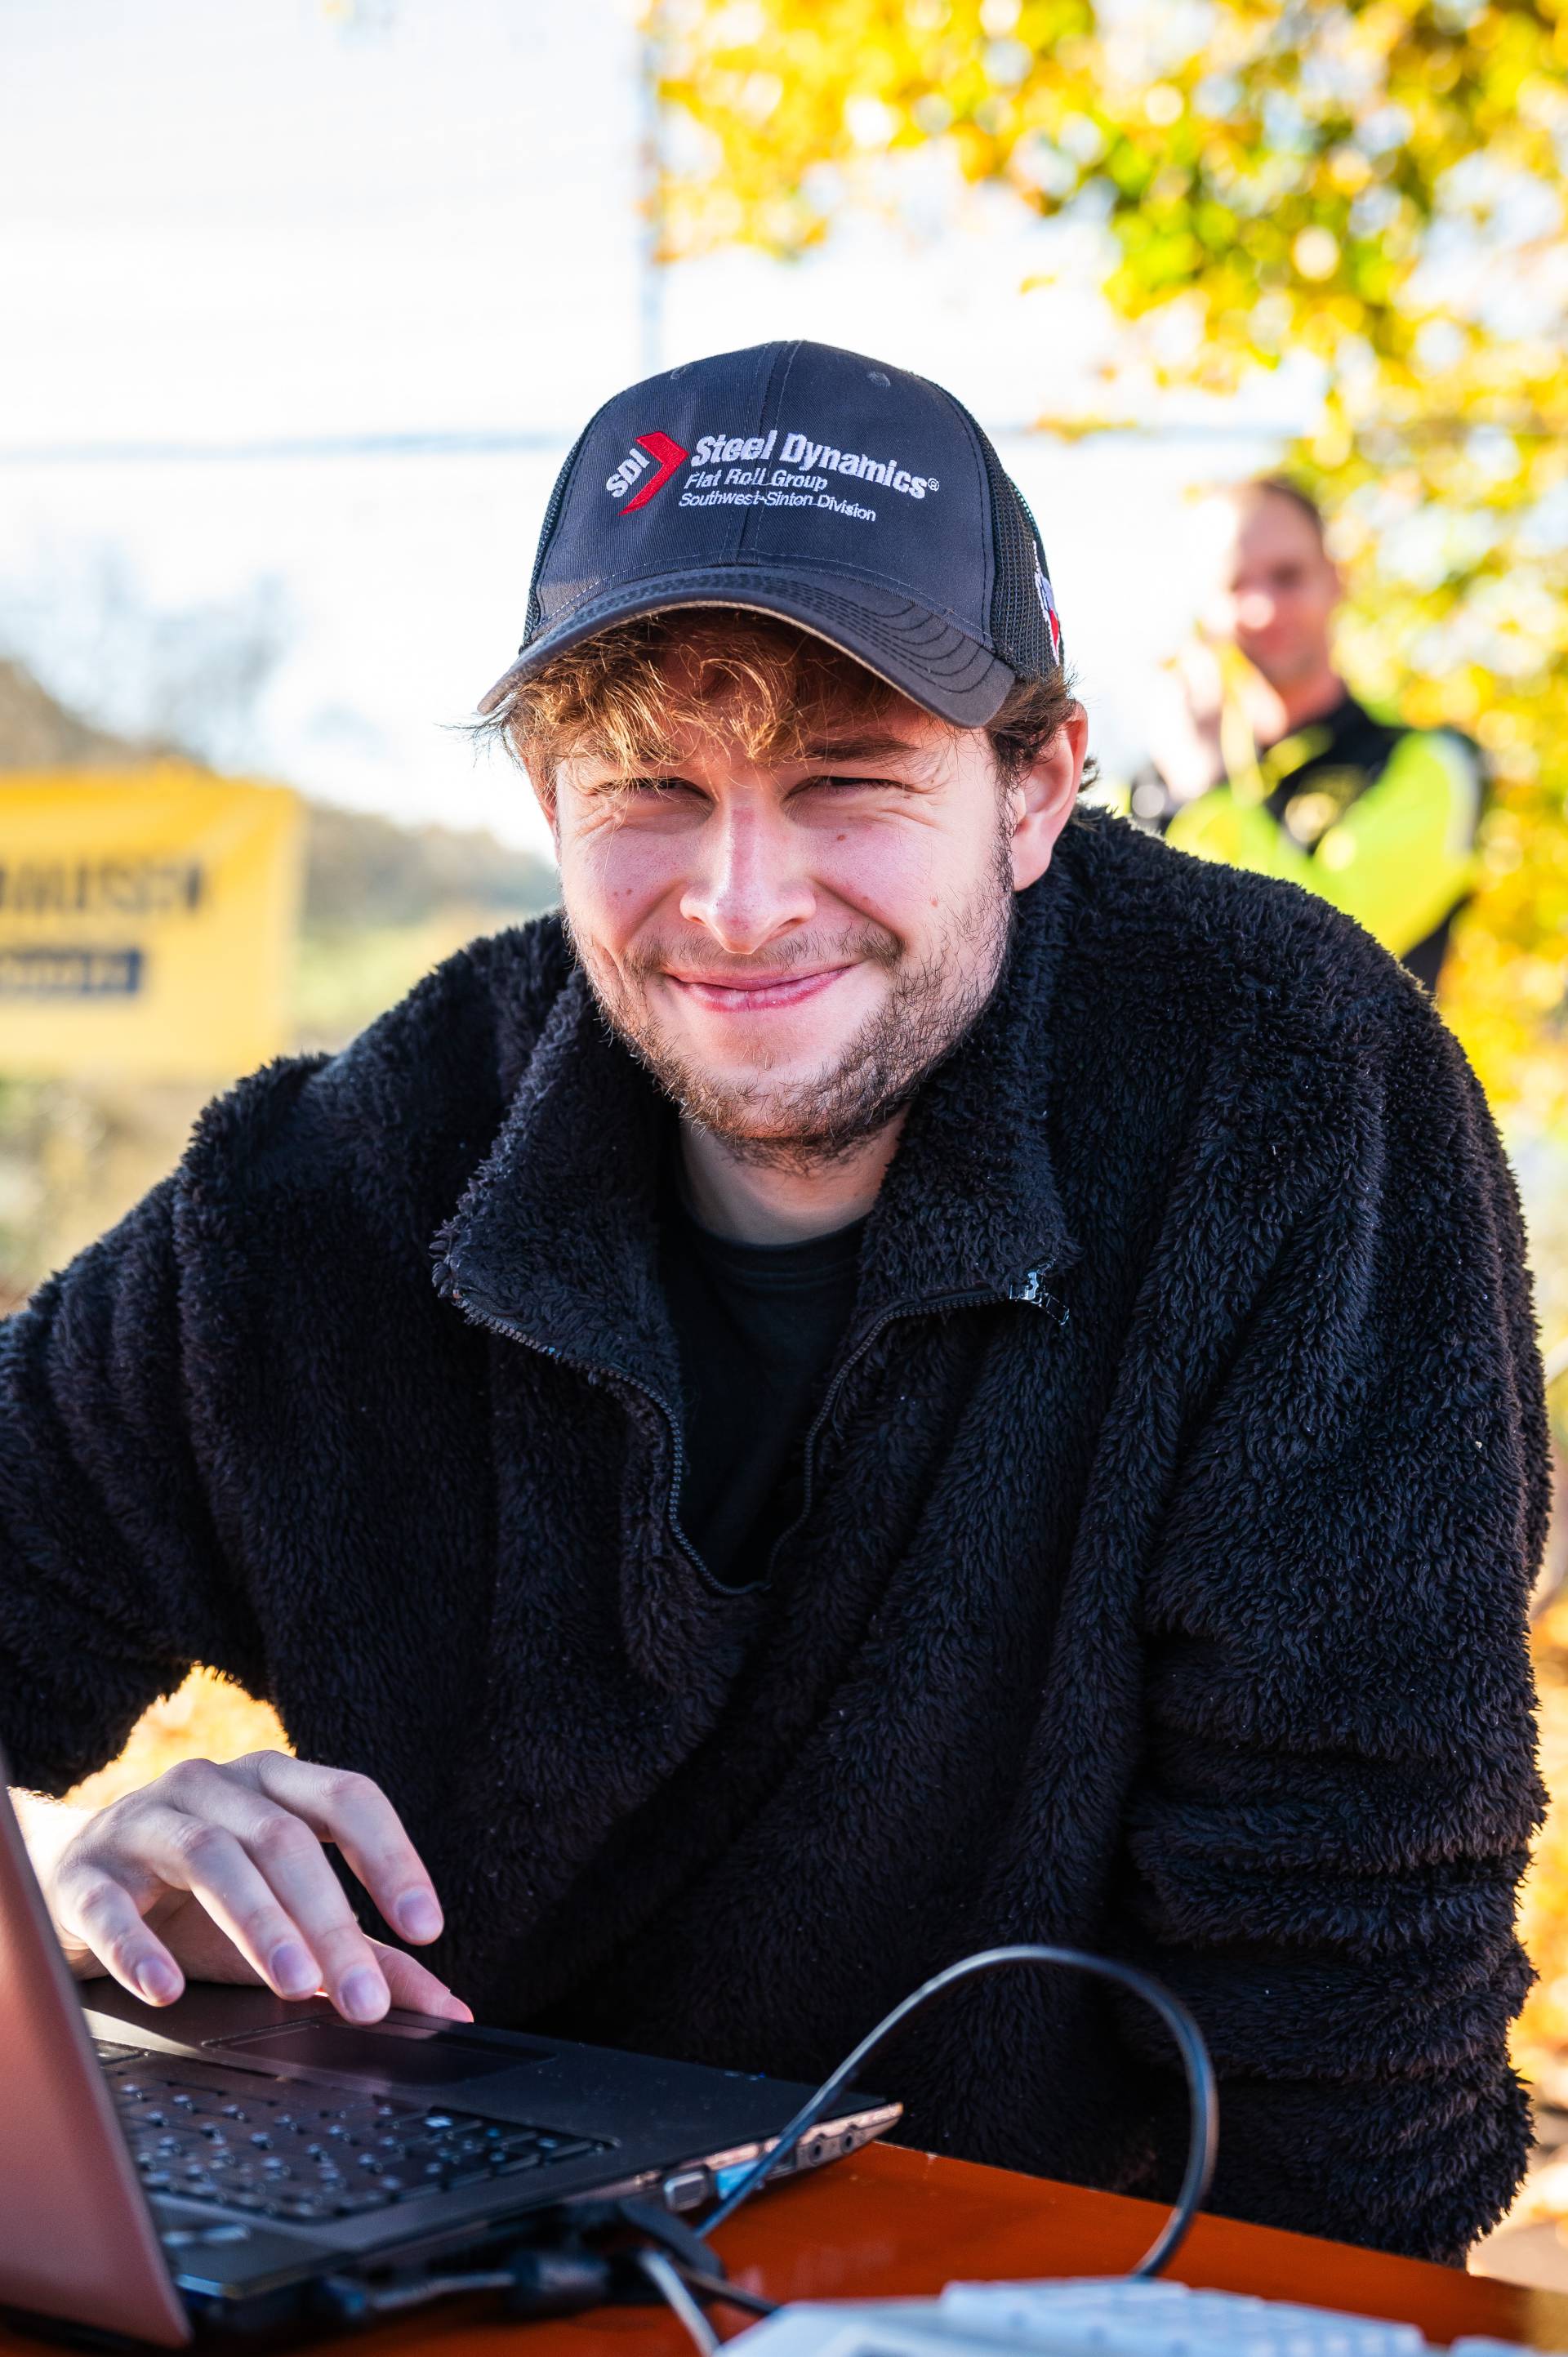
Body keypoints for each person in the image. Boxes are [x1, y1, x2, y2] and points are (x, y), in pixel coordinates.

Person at [0, 343, 1548, 2266]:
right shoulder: (349, 1175)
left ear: (1036, 786)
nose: (740, 902)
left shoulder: (1289, 1090)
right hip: (453, 2284)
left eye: (848, 783)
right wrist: (91, 1893)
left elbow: (1351, 1986)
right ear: (547, 795)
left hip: (1047, 2294)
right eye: (649, 787)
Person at [1129, 478, 1484, 992]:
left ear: (1337, 580)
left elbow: (1324, 961)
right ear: (1207, 610)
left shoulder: (1426, 765)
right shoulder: (1147, 787)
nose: (1264, 608)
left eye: (1288, 576)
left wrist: (1206, 797)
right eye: (1235, 584)